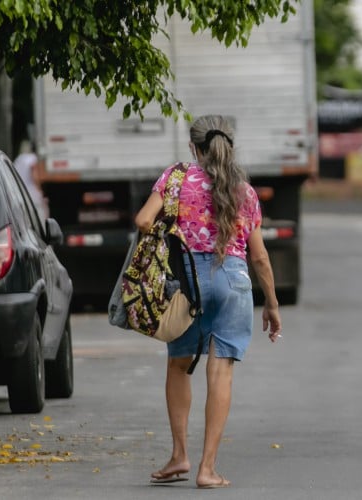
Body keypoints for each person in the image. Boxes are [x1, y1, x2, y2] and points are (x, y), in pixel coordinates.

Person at [134, 115, 282, 489]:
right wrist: (272, 305)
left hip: (188, 282)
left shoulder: (175, 178)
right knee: (221, 372)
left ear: (193, 147)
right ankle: (207, 469)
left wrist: (173, 231)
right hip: (234, 281)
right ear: (229, 146)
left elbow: (143, 220)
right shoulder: (244, 191)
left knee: (179, 365)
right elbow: (260, 256)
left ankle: (179, 455)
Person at [13, 143, 48, 220]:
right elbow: (35, 176)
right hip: (33, 195)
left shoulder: (18, 159)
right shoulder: (33, 158)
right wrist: (40, 189)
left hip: (19, 195)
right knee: (40, 218)